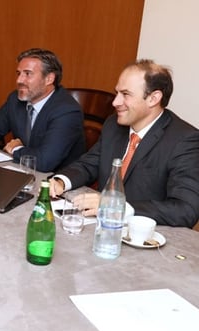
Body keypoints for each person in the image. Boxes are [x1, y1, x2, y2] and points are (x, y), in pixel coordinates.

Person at [50, 59, 199, 228]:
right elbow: (89, 164)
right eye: (117, 93)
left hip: (145, 237)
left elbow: (185, 210)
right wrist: (61, 181)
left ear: (153, 98)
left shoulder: (185, 140)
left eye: (126, 94)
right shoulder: (113, 124)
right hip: (100, 229)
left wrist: (114, 206)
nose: (115, 102)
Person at [0, 48, 85, 172]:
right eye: (18, 73)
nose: (19, 80)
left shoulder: (67, 111)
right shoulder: (15, 99)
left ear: (49, 79)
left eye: (27, 74)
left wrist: (16, 149)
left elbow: (45, 161)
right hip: (22, 172)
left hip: (55, 183)